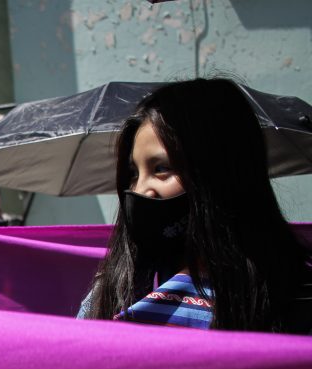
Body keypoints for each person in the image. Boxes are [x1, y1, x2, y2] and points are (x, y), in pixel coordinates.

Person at [78, 78, 312, 333]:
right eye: (133, 173)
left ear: (220, 175)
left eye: (161, 168)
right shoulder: (112, 290)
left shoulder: (297, 296)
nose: (140, 189)